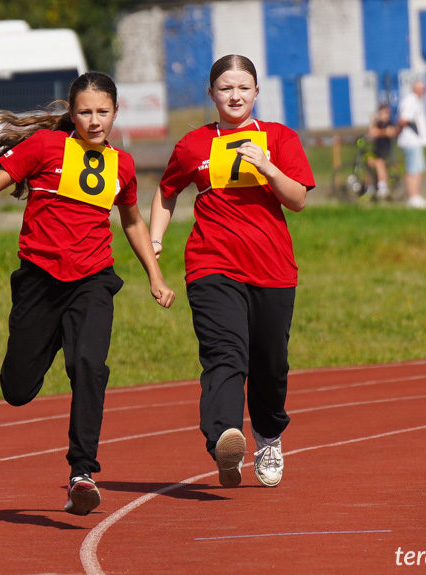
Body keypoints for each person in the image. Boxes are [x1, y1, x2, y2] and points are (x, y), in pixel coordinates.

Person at [0, 71, 175, 515]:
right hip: (41, 280)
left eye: (103, 112)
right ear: (71, 112)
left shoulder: (122, 165)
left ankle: (81, 472)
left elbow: (133, 222)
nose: (95, 120)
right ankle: (42, 349)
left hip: (93, 280)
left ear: (116, 113)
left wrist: (156, 277)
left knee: (88, 365)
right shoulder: (45, 148)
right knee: (17, 389)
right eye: (85, 112)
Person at [149, 55, 314, 488]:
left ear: (257, 92)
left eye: (243, 87)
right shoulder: (192, 145)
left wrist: (267, 166)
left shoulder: (279, 138)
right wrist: (154, 239)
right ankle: (224, 435)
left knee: (270, 365)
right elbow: (166, 193)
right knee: (225, 354)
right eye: (225, 88)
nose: (235, 95)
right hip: (211, 262)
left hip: (273, 267)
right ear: (212, 95)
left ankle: (269, 435)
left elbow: (297, 199)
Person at [396, 80, 426, 209]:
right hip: (411, 141)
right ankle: (412, 197)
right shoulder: (410, 101)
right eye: (422, 89)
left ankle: (417, 195)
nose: (424, 92)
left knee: (419, 169)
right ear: (416, 89)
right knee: (413, 169)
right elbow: (404, 119)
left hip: (416, 141)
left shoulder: (416, 101)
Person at [365, 102, 398, 199]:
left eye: (387, 113)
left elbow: (389, 132)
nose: (386, 115)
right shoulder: (378, 124)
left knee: (379, 162)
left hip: (385, 149)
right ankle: (369, 186)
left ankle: (383, 186)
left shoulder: (390, 123)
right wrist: (372, 121)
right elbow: (371, 133)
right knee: (369, 162)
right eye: (384, 113)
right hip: (377, 149)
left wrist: (379, 132)